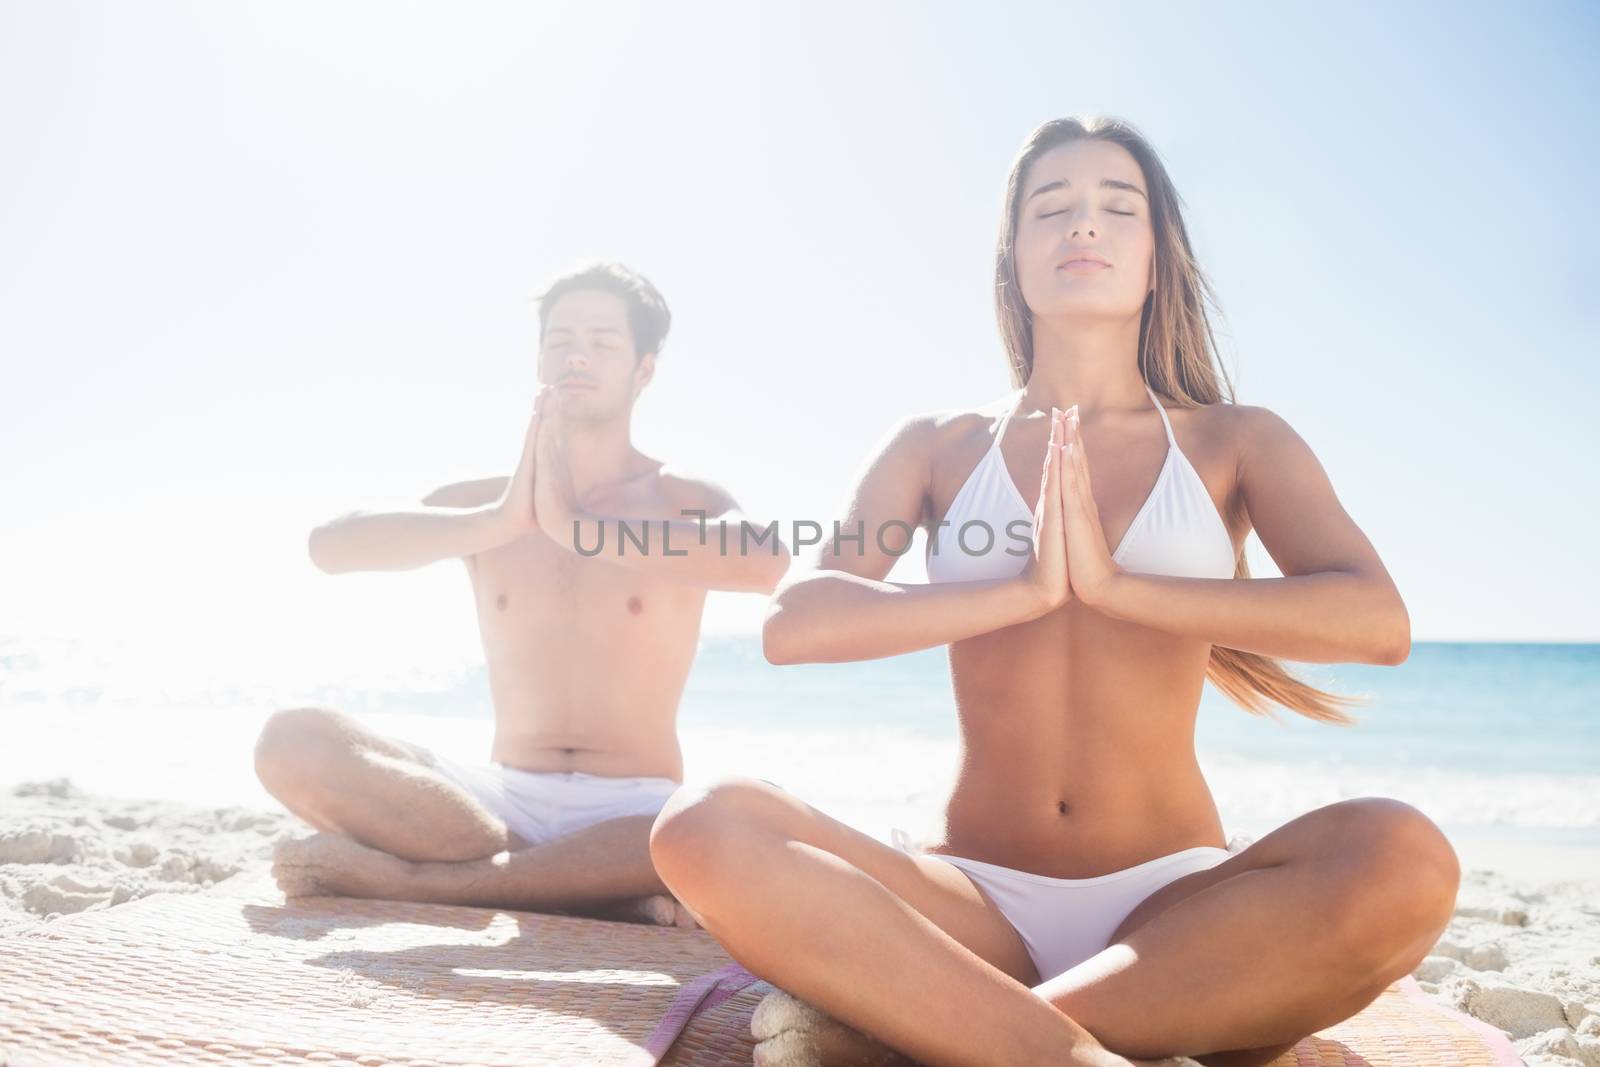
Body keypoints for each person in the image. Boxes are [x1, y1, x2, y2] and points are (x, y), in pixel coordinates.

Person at [647, 118, 1459, 1063]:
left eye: (1119, 207)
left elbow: (1375, 620)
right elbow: (797, 622)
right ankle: (1070, 1047)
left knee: (1405, 857)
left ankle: (959, 1032)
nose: (1085, 226)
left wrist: (1114, 586)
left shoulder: (1233, 440)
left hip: (1177, 905)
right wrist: (1025, 592)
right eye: (1052, 208)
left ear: (1158, 261)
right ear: (1013, 259)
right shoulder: (937, 445)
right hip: (970, 902)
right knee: (703, 821)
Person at [255, 262, 790, 926]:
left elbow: (769, 561)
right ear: (539, 357)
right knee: (290, 743)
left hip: (635, 807)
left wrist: (581, 530)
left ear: (644, 370)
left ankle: (433, 885)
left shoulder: (680, 498)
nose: (577, 354)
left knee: (732, 817)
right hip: (491, 804)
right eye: (561, 337)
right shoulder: (487, 502)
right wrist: (499, 522)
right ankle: (580, 888)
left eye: (602, 340)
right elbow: (329, 547)